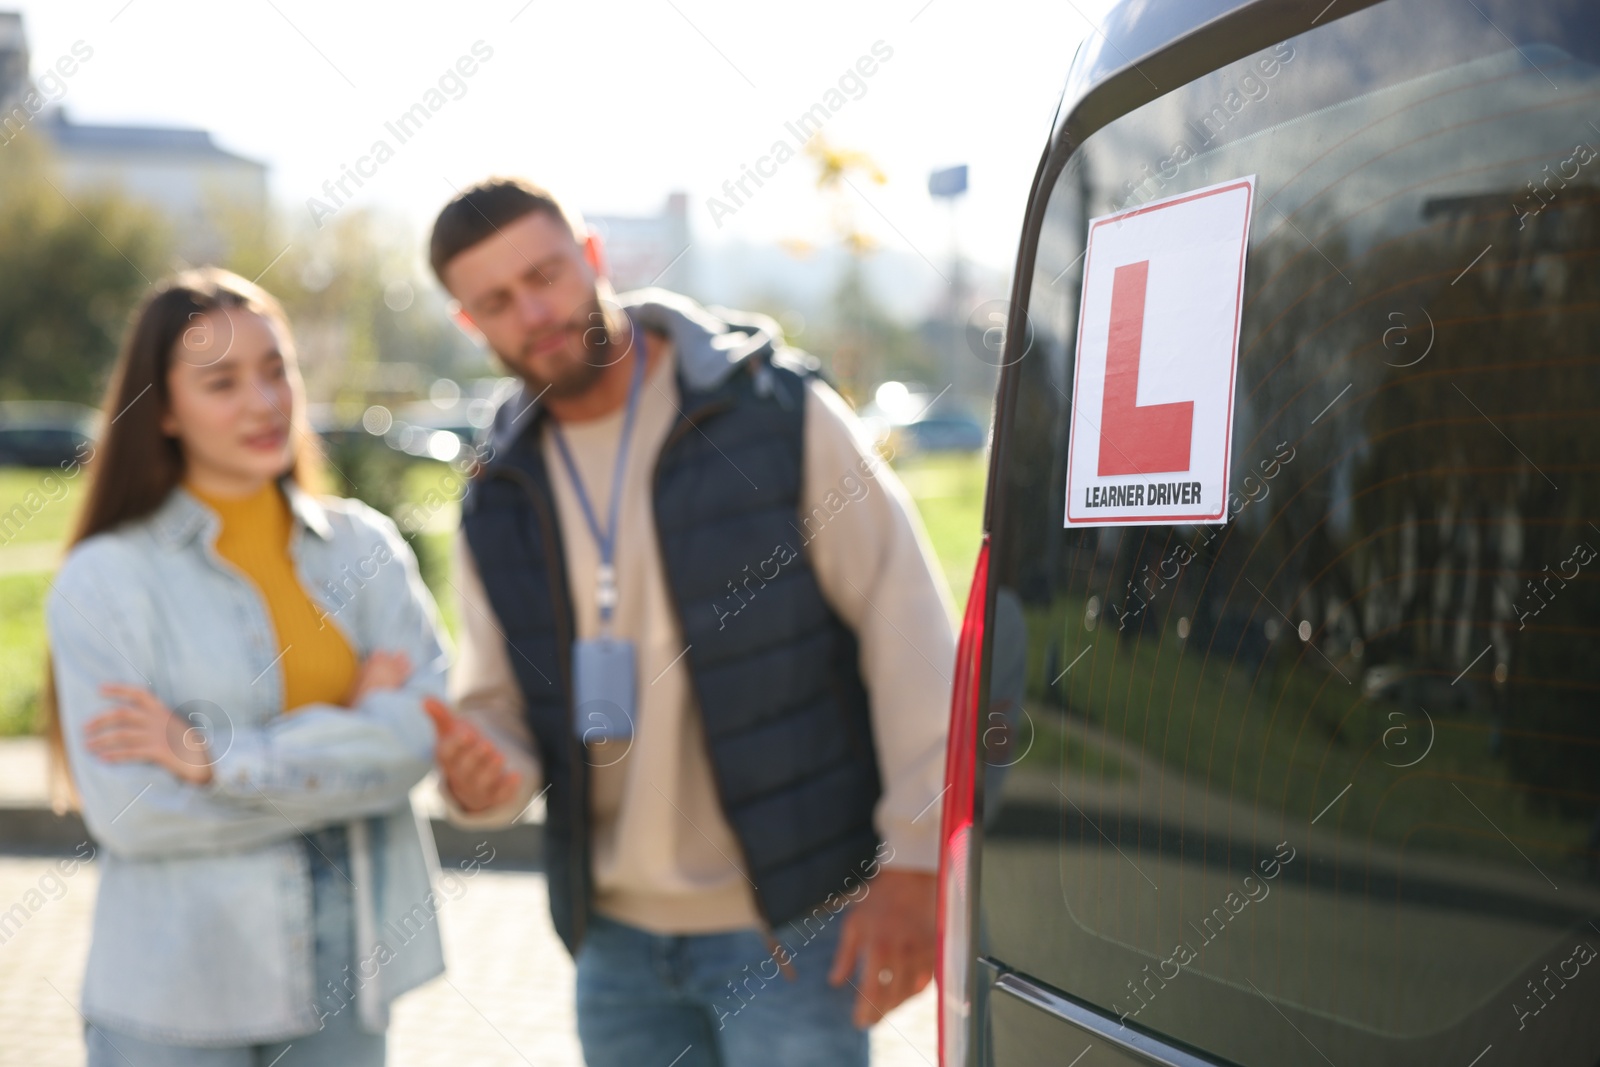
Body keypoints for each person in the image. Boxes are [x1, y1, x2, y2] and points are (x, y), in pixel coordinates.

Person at [423, 177, 956, 1066]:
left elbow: (910, 633)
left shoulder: (772, 413)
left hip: (792, 923)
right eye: (498, 302)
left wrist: (916, 861)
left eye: (547, 275)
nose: (536, 311)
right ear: (471, 324)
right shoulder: (495, 493)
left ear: (593, 258)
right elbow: (497, 710)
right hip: (615, 945)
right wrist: (487, 777)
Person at [43, 267, 450, 1066]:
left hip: (345, 981)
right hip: (173, 995)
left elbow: (417, 742)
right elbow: (135, 809)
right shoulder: (104, 579)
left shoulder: (364, 549)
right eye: (223, 381)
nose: (264, 402)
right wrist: (349, 747)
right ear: (162, 408)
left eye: (276, 370)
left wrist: (217, 757)